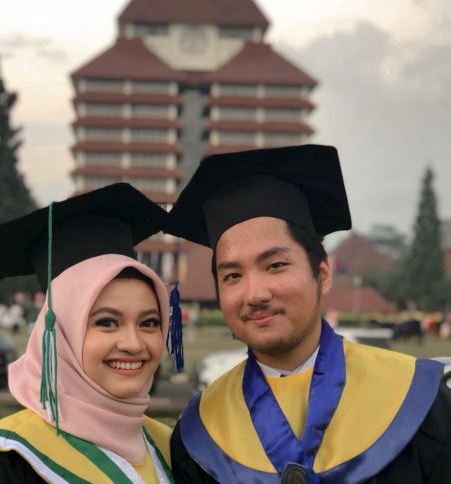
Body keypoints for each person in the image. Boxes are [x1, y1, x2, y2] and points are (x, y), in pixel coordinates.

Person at [166, 145, 451, 483]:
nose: (255, 294)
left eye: (275, 265)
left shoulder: (417, 402)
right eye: (232, 275)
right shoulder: (199, 434)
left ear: (323, 274)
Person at [0, 183, 175, 483]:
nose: (133, 343)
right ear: (60, 334)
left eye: (149, 322)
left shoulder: (169, 449)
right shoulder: (12, 465)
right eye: (107, 322)